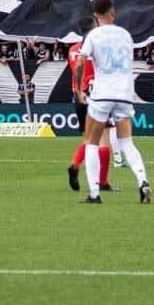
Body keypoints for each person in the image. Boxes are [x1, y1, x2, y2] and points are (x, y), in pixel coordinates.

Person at [77, 0, 150, 204]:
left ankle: (94, 193)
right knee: (127, 141)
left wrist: (80, 88)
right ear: (113, 12)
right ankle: (143, 181)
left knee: (91, 142)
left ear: (95, 16)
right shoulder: (126, 35)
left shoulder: (93, 34)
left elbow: (81, 62)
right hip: (125, 93)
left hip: (102, 93)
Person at [65, 25, 112, 193]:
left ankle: (76, 164)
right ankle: (103, 181)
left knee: (88, 138)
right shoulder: (98, 48)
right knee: (103, 138)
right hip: (97, 94)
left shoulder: (72, 49)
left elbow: (77, 68)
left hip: (78, 95)